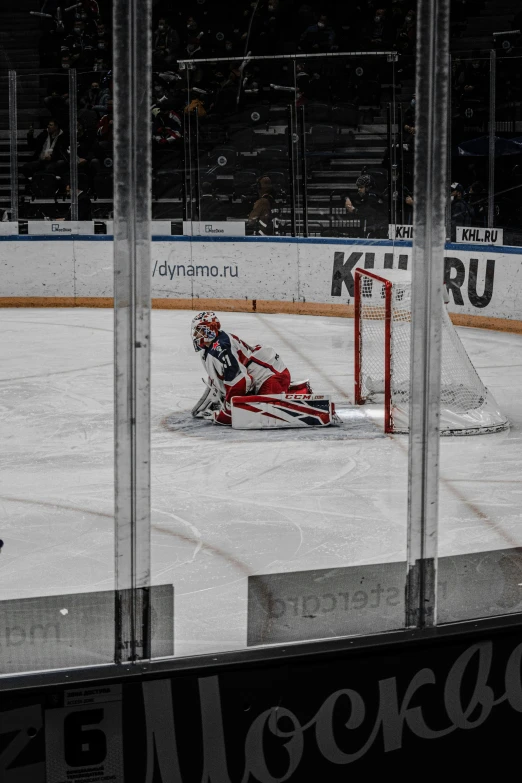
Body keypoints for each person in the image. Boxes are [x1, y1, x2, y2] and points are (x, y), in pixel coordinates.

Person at [190, 312, 311, 426]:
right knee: (250, 403)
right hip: (261, 374)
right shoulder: (210, 348)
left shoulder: (222, 348)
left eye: (199, 331)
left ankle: (301, 392)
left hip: (270, 375)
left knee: (264, 412)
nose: (196, 335)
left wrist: (227, 411)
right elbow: (222, 378)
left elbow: (240, 382)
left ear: (211, 329)